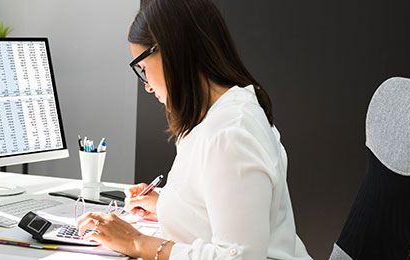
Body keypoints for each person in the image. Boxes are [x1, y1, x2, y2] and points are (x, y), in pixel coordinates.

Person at [75, 0, 313, 259]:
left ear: (171, 52)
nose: (147, 86)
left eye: (143, 69)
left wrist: (136, 242)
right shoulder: (219, 112)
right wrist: (167, 205)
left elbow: (238, 256)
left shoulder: (232, 133)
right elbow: (221, 206)